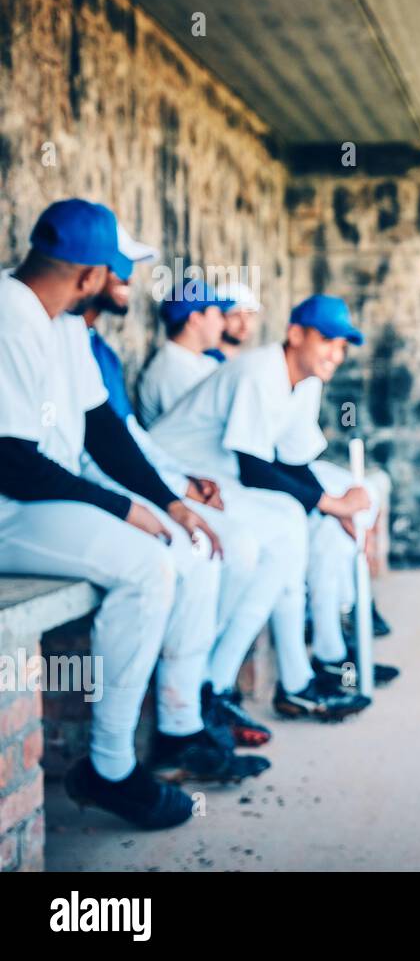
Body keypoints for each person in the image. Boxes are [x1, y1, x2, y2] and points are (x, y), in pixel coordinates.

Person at [0, 200, 255, 829]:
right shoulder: (6, 314)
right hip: (9, 510)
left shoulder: (62, 324)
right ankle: (110, 768)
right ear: (88, 275)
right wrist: (124, 508)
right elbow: (11, 463)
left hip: (38, 504)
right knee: (147, 566)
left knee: (184, 546)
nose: (124, 280)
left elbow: (103, 431)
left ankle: (177, 725)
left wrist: (169, 504)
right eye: (114, 269)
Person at [82, 229, 290, 747]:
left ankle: (197, 699)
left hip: (145, 477)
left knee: (254, 539)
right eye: (118, 268)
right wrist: (172, 490)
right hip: (79, 491)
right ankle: (172, 719)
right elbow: (101, 447)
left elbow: (122, 434)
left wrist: (179, 486)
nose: (225, 321)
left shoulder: (96, 348)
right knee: (209, 549)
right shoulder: (163, 365)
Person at [148, 295, 398, 706]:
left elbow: (294, 460)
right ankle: (242, 683)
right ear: (295, 334)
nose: (336, 354)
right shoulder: (260, 370)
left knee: (297, 529)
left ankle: (245, 681)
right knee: (288, 526)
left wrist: (334, 507)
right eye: (327, 341)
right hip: (175, 475)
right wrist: (330, 504)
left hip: (220, 480)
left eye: (342, 346)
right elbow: (254, 467)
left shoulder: (307, 381)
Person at [136, 279, 232, 426]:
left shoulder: (203, 360)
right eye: (218, 314)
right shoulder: (170, 370)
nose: (223, 324)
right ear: (195, 320)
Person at [207, 279, 261, 364]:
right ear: (218, 316)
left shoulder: (249, 363)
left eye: (250, 314)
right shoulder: (204, 363)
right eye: (236, 315)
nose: (245, 324)